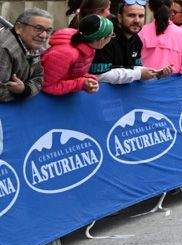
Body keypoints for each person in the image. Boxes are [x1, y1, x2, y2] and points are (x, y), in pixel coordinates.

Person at [2, 8, 52, 147]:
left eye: (48, 31)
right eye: (38, 28)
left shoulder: (32, 45)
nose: (43, 35)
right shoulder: (5, 49)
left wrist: (24, 90)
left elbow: (39, 78)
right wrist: (22, 91)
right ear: (18, 27)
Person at [92, 0, 164, 84]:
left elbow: (135, 67)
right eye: (131, 15)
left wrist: (153, 72)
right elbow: (100, 75)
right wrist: (138, 74)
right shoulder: (106, 38)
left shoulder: (137, 40)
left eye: (141, 16)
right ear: (119, 18)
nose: (137, 20)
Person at [42, 15, 112, 95]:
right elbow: (47, 86)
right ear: (102, 39)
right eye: (111, 35)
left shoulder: (88, 47)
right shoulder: (65, 54)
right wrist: (80, 84)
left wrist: (87, 79)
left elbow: (73, 73)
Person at [138, 0, 182, 75]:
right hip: (173, 85)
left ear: (150, 8)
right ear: (171, 6)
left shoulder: (141, 32)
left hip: (145, 85)